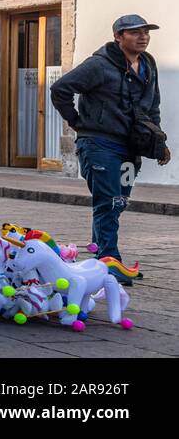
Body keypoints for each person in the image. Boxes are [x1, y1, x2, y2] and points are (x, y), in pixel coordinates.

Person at [51, 14, 169, 285]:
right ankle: (110, 261)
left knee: (118, 203)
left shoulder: (148, 65)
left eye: (146, 32)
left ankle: (99, 261)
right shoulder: (98, 65)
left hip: (129, 148)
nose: (143, 37)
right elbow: (60, 89)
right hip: (99, 145)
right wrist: (77, 121)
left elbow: (153, 107)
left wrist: (158, 140)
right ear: (118, 36)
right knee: (108, 202)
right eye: (134, 32)